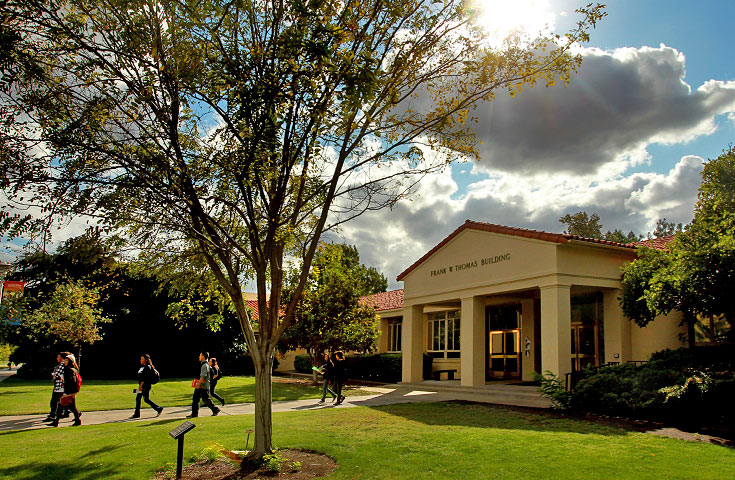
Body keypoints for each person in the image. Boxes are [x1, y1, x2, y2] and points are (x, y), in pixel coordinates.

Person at [50, 354, 82, 427]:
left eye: (67, 360)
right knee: (71, 407)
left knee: (61, 405)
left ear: (70, 361)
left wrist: (63, 381)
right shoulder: (74, 369)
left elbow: (71, 381)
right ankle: (77, 420)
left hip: (69, 391)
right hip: (73, 391)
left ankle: (56, 422)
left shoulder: (69, 370)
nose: (65, 361)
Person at [187, 351, 220, 418]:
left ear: (203, 356)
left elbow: (203, 376)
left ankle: (195, 414)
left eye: (200, 355)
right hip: (205, 385)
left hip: (202, 386)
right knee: (203, 399)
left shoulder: (204, 365)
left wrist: (198, 384)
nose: (199, 357)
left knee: (199, 399)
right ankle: (214, 409)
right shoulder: (207, 365)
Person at [131, 354, 163, 418]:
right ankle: (137, 414)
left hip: (145, 386)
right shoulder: (143, 366)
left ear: (146, 360)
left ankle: (158, 408)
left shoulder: (147, 367)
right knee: (139, 398)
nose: (140, 360)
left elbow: (145, 378)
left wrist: (141, 386)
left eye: (142, 359)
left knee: (145, 399)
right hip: (142, 385)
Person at [44, 352, 68, 423]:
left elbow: (58, 375)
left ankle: (53, 416)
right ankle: (75, 413)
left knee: (54, 402)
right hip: (61, 387)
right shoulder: (65, 365)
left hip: (59, 387)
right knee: (62, 402)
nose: (57, 358)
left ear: (62, 358)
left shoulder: (62, 365)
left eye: (58, 357)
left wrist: (54, 375)